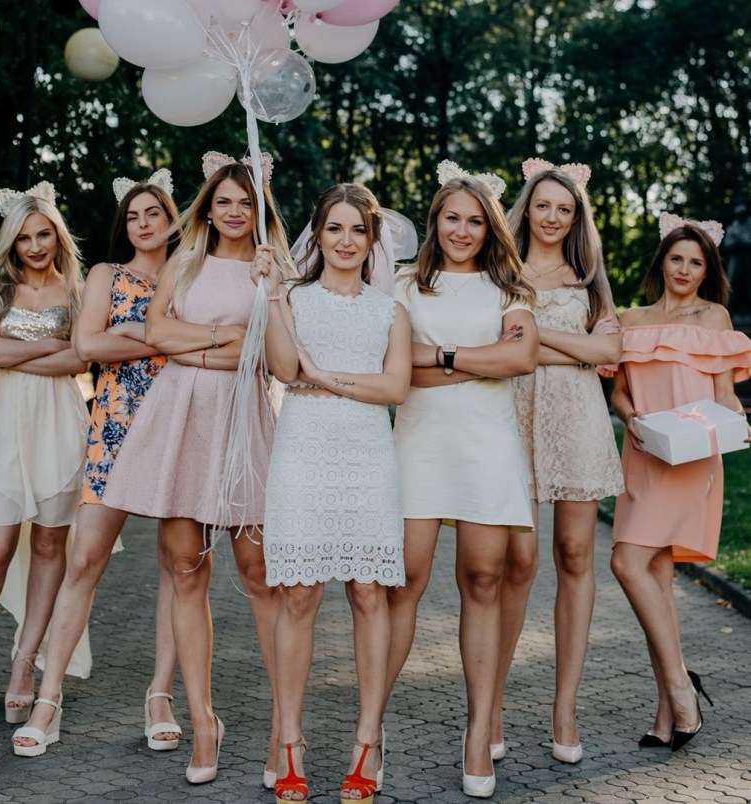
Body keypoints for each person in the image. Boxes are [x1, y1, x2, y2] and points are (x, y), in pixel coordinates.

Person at [101, 153, 288, 785]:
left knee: (259, 572)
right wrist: (221, 341)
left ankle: (282, 726)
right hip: (180, 416)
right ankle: (204, 722)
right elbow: (156, 333)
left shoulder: (274, 267)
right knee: (185, 565)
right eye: (223, 201)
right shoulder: (184, 261)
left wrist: (200, 340)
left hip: (241, 421)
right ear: (207, 207)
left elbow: (270, 353)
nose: (234, 212)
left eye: (245, 202)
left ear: (259, 209)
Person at [11, 171, 184, 757]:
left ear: (172, 220)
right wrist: (165, 337)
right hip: (113, 428)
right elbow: (88, 347)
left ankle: (160, 696)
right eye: (133, 216)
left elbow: (212, 343)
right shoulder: (109, 275)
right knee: (84, 560)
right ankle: (48, 701)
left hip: (178, 425)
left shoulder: (192, 275)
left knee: (179, 566)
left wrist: (132, 332)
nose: (143, 223)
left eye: (153, 213)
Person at [253, 182, 411, 804]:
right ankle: (289, 743)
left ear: (373, 240)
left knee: (369, 592)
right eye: (335, 228)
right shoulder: (290, 298)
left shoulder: (390, 311)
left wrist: (323, 375)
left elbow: (394, 388)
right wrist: (271, 294)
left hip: (369, 458)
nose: (346, 240)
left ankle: (367, 744)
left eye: (358, 230)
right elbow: (284, 370)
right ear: (317, 234)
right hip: (303, 453)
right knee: (299, 593)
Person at [385, 160, 538, 799]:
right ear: (435, 221)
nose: (462, 230)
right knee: (403, 582)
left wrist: (441, 357)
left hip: (487, 450)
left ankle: (478, 735)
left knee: (482, 581)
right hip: (417, 447)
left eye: (476, 221)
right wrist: (481, 362)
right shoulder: (403, 285)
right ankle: (371, 729)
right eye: (452, 217)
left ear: (490, 228)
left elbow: (521, 356)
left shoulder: (511, 291)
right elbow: (395, 369)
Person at [487, 158, 624, 764]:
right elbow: (497, 347)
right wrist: (576, 349)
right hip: (511, 419)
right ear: (527, 209)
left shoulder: (589, 277)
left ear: (576, 219)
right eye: (543, 205)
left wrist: (538, 340)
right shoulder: (501, 269)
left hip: (577, 423)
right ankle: (489, 706)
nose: (551, 216)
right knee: (517, 562)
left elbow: (610, 350)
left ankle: (564, 708)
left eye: (564, 209)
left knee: (574, 554)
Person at [608, 213, 751, 752]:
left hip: (692, 456)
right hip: (644, 452)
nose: (685, 269)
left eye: (696, 261)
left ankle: (680, 689)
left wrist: (737, 423)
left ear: (707, 269)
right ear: (661, 262)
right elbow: (619, 392)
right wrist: (632, 419)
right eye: (676, 258)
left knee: (626, 562)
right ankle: (668, 711)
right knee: (657, 580)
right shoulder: (631, 319)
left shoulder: (714, 317)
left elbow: (724, 392)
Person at [0, 183, 88, 726]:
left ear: (57, 235)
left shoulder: (75, 288)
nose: (35, 246)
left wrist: (20, 351)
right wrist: (51, 345)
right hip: (4, 425)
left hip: (59, 425)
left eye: (44, 234)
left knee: (51, 541)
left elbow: (80, 361)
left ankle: (25, 665)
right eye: (25, 237)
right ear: (12, 241)